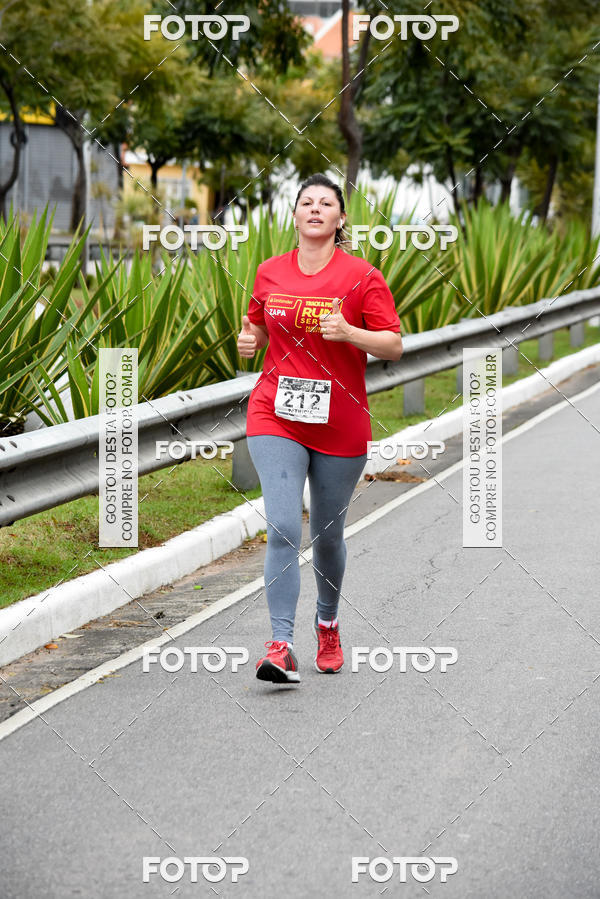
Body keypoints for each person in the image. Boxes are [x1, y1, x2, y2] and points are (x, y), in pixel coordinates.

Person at [237, 173, 403, 684]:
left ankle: (327, 623)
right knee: (285, 526)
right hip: (275, 414)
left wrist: (350, 332)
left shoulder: (362, 276)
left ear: (340, 218)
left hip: (339, 422)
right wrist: (249, 342)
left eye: (325, 203)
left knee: (328, 536)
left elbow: (394, 344)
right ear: (294, 215)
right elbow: (260, 326)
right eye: (305, 202)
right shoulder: (268, 272)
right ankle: (281, 644)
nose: (314, 208)